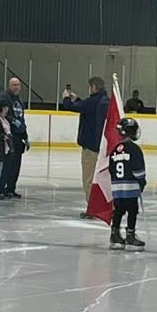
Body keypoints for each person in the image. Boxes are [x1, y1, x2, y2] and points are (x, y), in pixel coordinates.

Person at [61, 76, 110, 216]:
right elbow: (86, 108)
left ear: (94, 86)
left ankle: (93, 209)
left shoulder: (93, 101)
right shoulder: (104, 100)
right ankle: (105, 206)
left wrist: (66, 98)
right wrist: (77, 99)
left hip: (90, 146)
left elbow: (71, 107)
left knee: (88, 179)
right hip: (101, 146)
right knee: (102, 178)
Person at [108, 117, 146, 250]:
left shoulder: (114, 150)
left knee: (118, 210)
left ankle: (115, 233)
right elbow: (139, 171)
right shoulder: (134, 149)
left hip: (117, 188)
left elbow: (111, 169)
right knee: (132, 210)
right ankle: (130, 235)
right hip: (130, 187)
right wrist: (142, 182)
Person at [0, 77, 29, 198]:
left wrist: (25, 136)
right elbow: (1, 114)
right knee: (7, 165)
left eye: (18, 85)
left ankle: (11, 188)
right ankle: (2, 188)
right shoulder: (4, 97)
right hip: (9, 137)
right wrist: (12, 122)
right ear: (9, 86)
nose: (16, 87)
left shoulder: (19, 100)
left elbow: (21, 119)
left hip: (18, 137)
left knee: (16, 165)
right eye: (14, 85)